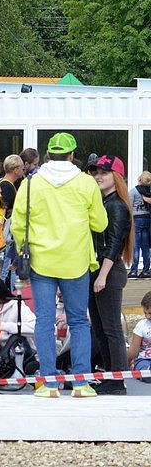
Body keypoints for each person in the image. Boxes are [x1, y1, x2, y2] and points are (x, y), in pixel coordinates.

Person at [10, 132, 107, 396]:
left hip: (41, 261)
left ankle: (48, 383)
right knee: (78, 321)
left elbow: (18, 225)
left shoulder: (31, 183)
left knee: (44, 320)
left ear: (48, 155)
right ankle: (80, 382)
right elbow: (100, 223)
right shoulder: (86, 183)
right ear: (73, 155)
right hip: (75, 261)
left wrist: (24, 248)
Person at [85, 155, 132, 380]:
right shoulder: (104, 203)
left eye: (104, 172)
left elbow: (113, 244)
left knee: (112, 329)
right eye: (95, 172)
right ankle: (110, 376)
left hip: (108, 271)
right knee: (102, 329)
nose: (98, 176)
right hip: (99, 270)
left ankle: (118, 378)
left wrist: (102, 275)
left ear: (116, 176)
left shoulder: (117, 206)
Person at [131, 171, 151, 278]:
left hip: (136, 219)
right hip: (147, 219)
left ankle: (134, 270)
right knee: (145, 246)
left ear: (139, 179)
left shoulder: (134, 191)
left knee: (136, 246)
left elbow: (129, 206)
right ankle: (146, 270)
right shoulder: (149, 191)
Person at [126, 291, 151, 372]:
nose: (147, 316)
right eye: (145, 313)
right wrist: (126, 363)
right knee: (143, 369)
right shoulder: (142, 325)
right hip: (144, 359)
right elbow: (134, 350)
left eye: (150, 313)